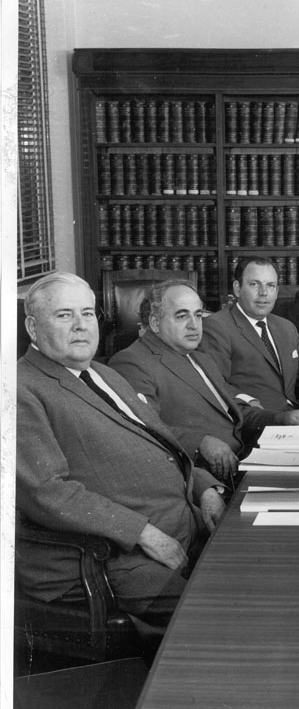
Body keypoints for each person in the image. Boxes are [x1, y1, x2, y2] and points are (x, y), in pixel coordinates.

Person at [16, 272, 225, 646]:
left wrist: (206, 487)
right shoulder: (19, 389)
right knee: (215, 625)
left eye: (88, 313)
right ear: (33, 327)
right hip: (111, 557)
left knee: (260, 583)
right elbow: (46, 492)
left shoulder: (102, 372)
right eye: (64, 316)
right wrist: (142, 533)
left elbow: (162, 438)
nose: (81, 326)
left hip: (180, 526)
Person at [110, 280, 299, 483]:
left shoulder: (199, 356)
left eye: (198, 315)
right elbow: (144, 430)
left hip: (246, 458)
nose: (194, 324)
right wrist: (201, 443)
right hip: (208, 474)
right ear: (155, 323)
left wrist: (281, 419)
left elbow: (232, 412)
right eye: (181, 316)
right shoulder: (133, 362)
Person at [201, 256, 299, 411]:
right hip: (254, 421)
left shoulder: (284, 327)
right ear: (237, 288)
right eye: (254, 284)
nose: (264, 293)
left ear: (277, 291)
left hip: (292, 415)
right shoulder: (216, 327)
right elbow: (215, 385)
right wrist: (250, 403)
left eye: (271, 285)